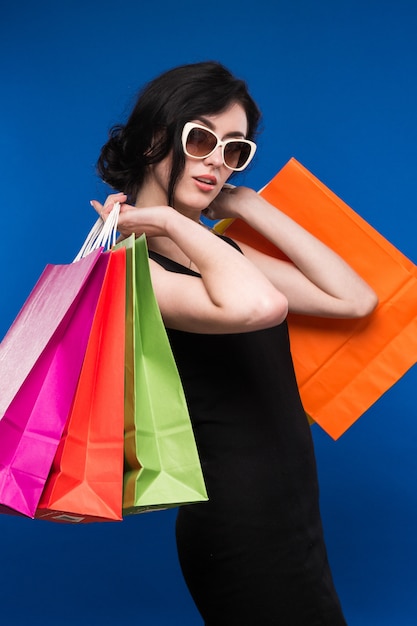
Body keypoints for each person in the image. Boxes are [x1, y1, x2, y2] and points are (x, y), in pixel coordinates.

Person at [92, 61, 378, 625]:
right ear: (155, 138)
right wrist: (174, 225)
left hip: (292, 509)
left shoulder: (221, 256)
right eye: (200, 139)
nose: (217, 163)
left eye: (235, 150)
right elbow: (260, 307)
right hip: (236, 521)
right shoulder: (130, 270)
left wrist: (249, 206)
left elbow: (354, 300)